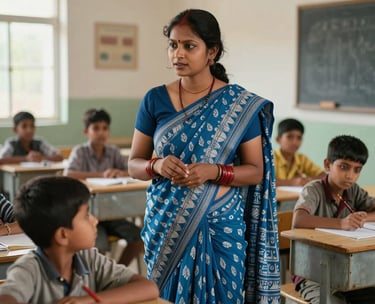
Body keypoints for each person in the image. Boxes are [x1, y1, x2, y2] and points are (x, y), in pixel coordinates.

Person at [128, 9, 279, 304]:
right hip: (167, 222)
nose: (178, 54)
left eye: (189, 46)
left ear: (212, 52)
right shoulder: (154, 99)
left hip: (220, 222)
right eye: (173, 45)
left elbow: (255, 170)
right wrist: (156, 164)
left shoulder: (239, 105)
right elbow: (133, 163)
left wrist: (215, 172)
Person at [0, 176, 159, 304]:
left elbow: (149, 288)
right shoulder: (28, 269)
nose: (95, 220)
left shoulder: (89, 259)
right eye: (86, 216)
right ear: (62, 235)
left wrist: (88, 300)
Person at [292, 135, 375, 304]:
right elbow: (299, 220)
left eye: (357, 170)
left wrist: (364, 218)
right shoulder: (314, 189)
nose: (350, 176)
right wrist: (342, 224)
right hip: (313, 273)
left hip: (346, 270)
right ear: (328, 165)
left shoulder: (354, 191)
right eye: (344, 167)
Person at [65, 108, 143, 266]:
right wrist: (101, 175)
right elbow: (69, 175)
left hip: (114, 213)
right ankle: (99, 278)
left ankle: (118, 272)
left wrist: (120, 173)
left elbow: (130, 171)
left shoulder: (113, 152)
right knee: (97, 245)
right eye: (96, 128)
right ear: (86, 131)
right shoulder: (80, 152)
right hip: (89, 216)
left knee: (141, 238)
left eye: (105, 128)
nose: (101, 133)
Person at [274, 118, 325, 187]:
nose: (295, 142)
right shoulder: (271, 157)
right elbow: (263, 181)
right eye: (290, 137)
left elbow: (324, 175)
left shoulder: (302, 159)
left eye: (299, 138)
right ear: (278, 139)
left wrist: (308, 180)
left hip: (294, 196)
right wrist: (292, 182)